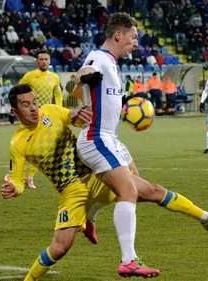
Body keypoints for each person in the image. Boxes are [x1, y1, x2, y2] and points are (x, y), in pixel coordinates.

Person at [1, 84, 208, 280]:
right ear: (15, 110)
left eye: (34, 102)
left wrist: (76, 114)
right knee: (60, 248)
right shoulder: (18, 144)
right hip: (70, 192)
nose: (33, 108)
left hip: (96, 175)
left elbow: (70, 116)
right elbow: (19, 181)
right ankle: (29, 279)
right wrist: (15, 188)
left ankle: (205, 217)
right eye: (26, 105)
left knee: (153, 190)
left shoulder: (50, 111)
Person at [72, 12, 159, 277]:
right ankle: (129, 260)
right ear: (118, 35)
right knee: (129, 190)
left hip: (109, 138)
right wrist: (84, 78)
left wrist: (80, 102)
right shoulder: (98, 58)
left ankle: (87, 216)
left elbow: (77, 93)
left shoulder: (111, 62)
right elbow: (81, 74)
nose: (136, 43)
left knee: (135, 182)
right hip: (96, 138)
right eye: (133, 37)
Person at [4, 50, 63, 189]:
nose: (44, 62)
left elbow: (58, 94)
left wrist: (58, 111)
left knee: (41, 147)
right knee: (22, 145)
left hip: (45, 117)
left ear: (49, 61)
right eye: (41, 59)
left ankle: (29, 177)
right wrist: (13, 111)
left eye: (46, 59)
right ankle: (13, 173)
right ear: (37, 62)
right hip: (29, 116)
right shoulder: (29, 76)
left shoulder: (54, 77)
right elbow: (16, 92)